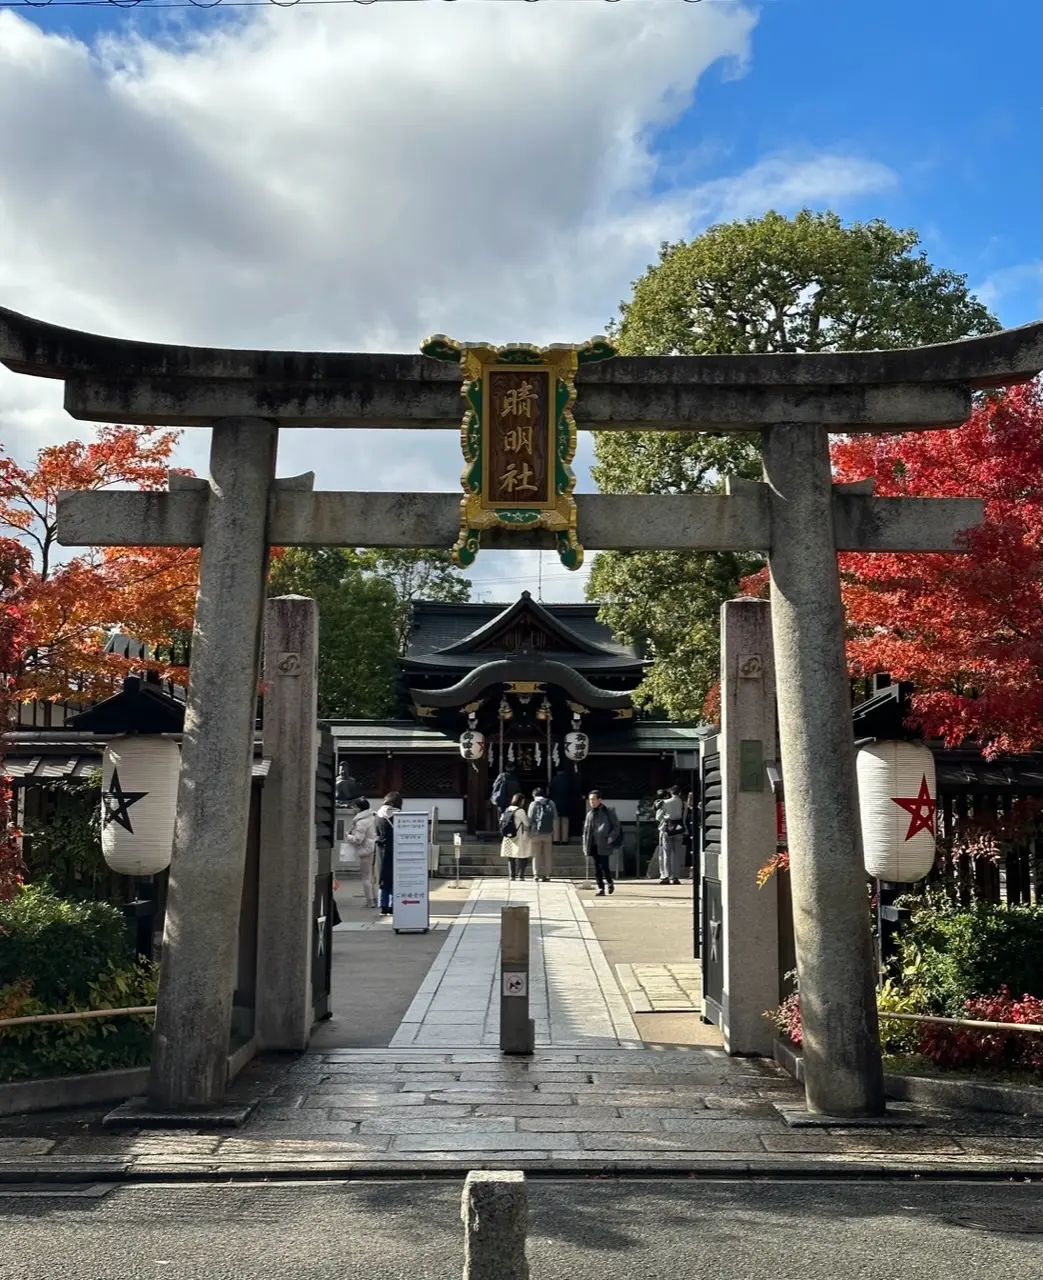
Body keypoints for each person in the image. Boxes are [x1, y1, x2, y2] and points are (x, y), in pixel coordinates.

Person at [582, 789, 621, 896]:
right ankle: (600, 887)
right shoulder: (589, 814)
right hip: (593, 843)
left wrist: (611, 837)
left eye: (594, 799)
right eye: (590, 800)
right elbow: (586, 830)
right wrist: (585, 844)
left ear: (599, 800)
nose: (592, 802)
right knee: (596, 867)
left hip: (604, 842)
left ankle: (609, 882)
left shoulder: (608, 812)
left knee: (604, 865)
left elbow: (616, 826)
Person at [345, 797, 379, 908]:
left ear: (359, 808)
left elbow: (358, 839)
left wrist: (348, 836)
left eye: (354, 806)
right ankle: (375, 899)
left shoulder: (361, 822)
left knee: (366, 877)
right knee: (373, 876)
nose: (353, 809)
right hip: (375, 849)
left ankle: (369, 901)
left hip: (366, 851)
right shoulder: (373, 817)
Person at [373, 790, 403, 916]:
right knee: (395, 877)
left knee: (383, 878)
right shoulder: (398, 815)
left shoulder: (378, 815)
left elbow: (377, 833)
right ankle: (392, 905)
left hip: (381, 849)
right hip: (395, 849)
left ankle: (383, 906)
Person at [499, 792, 532, 880]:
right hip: (519, 835)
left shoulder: (507, 809)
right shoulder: (520, 811)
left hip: (508, 836)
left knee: (511, 856)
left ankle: (511, 875)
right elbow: (527, 823)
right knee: (522, 855)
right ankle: (521, 875)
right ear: (520, 801)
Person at [658, 784, 686, 886]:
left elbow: (658, 817)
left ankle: (665, 876)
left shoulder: (665, 802)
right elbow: (684, 818)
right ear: (680, 793)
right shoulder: (683, 803)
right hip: (679, 829)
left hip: (667, 829)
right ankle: (675, 877)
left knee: (666, 853)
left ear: (671, 792)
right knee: (677, 854)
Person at [528, 786, 556, 882]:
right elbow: (555, 816)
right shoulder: (551, 803)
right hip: (548, 832)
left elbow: (530, 818)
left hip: (535, 832)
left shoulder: (533, 804)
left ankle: (536, 874)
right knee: (547, 854)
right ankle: (547, 874)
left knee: (536, 854)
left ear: (534, 795)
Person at [550, 769, 572, 844]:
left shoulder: (554, 780)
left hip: (556, 802)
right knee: (565, 820)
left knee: (556, 820)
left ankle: (556, 839)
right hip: (566, 802)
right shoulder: (568, 780)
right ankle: (565, 839)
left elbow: (550, 791)